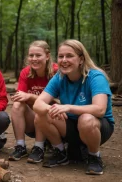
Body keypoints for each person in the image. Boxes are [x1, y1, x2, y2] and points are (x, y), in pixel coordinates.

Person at [33, 39, 114, 175]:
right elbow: (38, 104)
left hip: (98, 126)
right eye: (61, 56)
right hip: (71, 125)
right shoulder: (59, 77)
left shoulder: (95, 76)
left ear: (81, 59)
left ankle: (94, 156)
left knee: (86, 119)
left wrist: (68, 107)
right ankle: (60, 152)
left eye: (69, 56)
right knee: (41, 114)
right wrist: (51, 109)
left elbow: (100, 110)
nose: (64, 60)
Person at [9, 40, 58, 163]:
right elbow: (21, 96)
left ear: (47, 56)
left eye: (38, 55)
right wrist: (21, 97)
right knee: (17, 104)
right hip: (32, 122)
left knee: (41, 107)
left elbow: (60, 101)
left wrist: (30, 96)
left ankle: (39, 147)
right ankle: (20, 146)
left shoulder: (57, 72)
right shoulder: (26, 72)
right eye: (31, 55)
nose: (34, 59)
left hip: (54, 120)